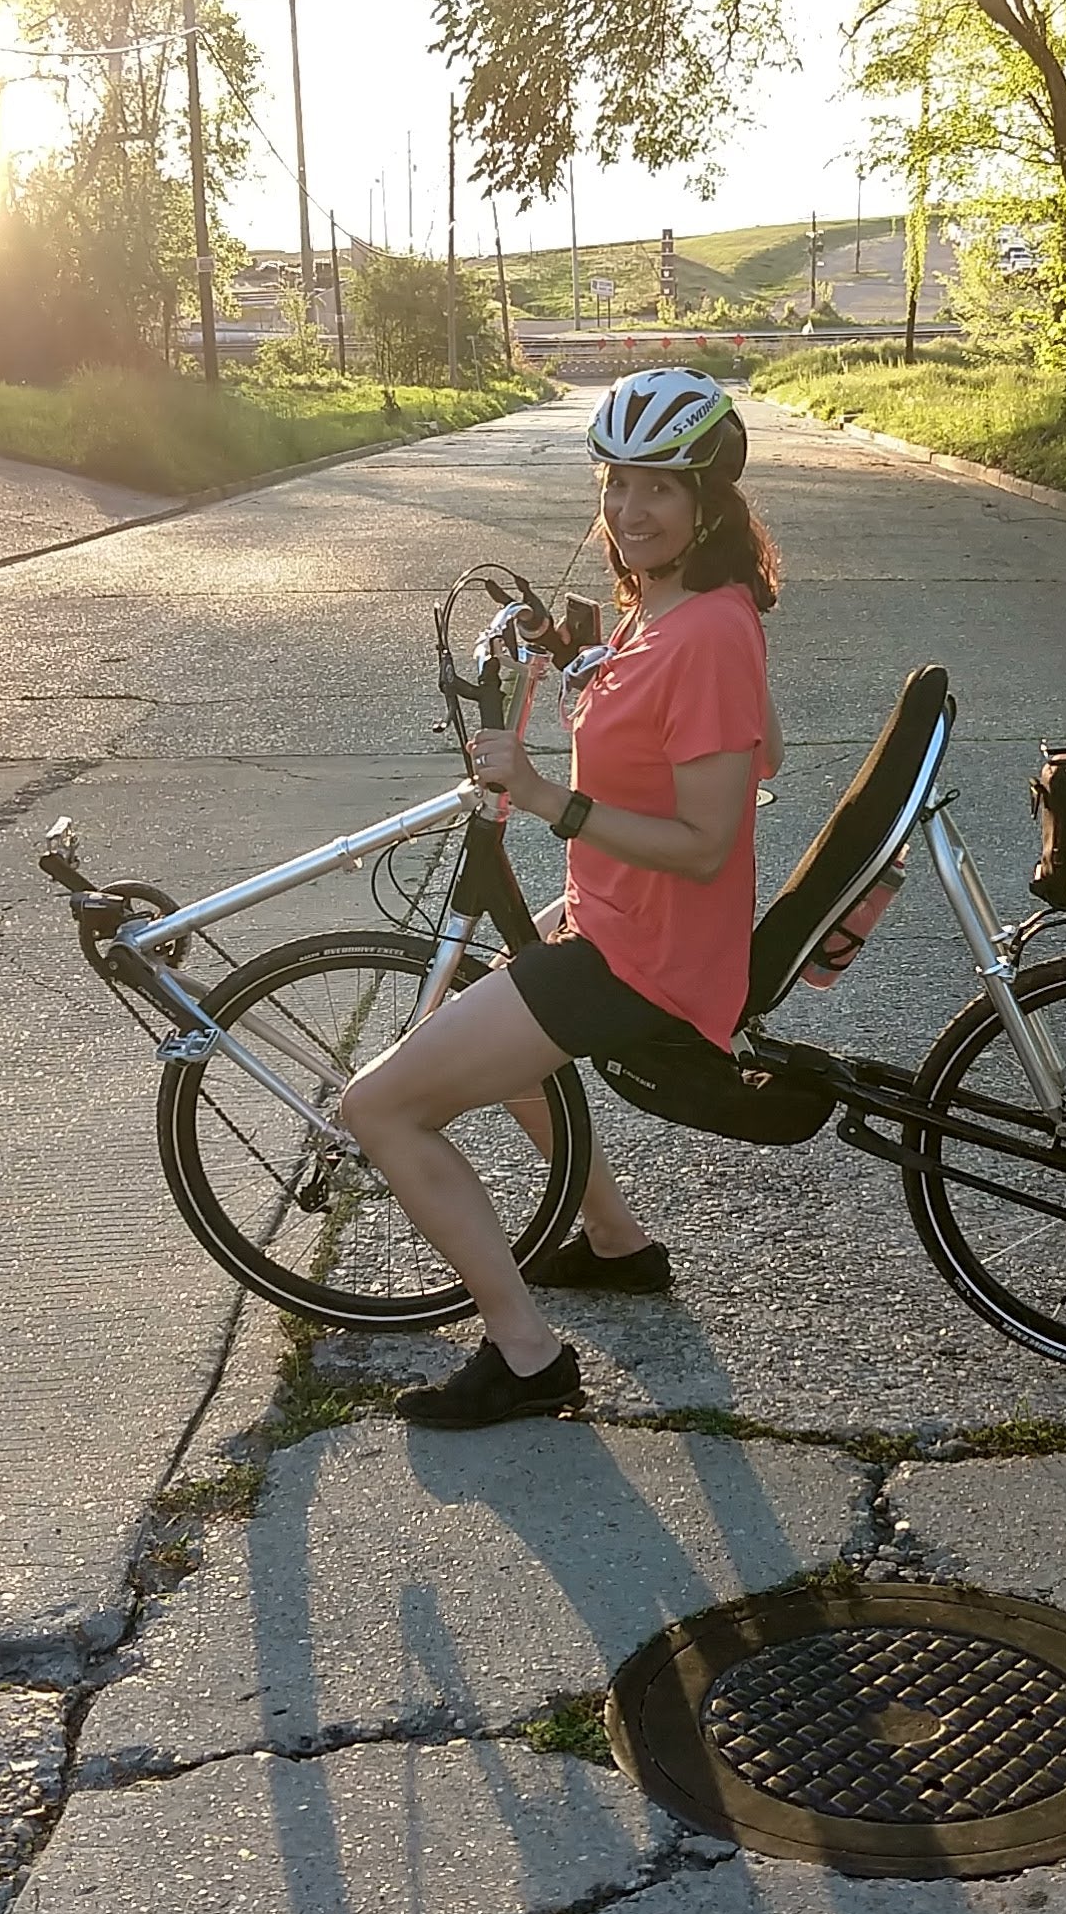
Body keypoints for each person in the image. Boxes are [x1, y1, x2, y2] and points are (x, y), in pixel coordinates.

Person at [334, 368, 784, 1428]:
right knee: (487, 1015)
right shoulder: (664, 609)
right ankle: (619, 1247)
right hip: (617, 922)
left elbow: (708, 840)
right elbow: (640, 685)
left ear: (709, 500)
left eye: (660, 489)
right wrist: (567, 644)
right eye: (618, 482)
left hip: (649, 954)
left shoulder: (711, 633)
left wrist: (545, 798)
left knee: (379, 1107)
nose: (630, 510)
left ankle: (528, 1357)